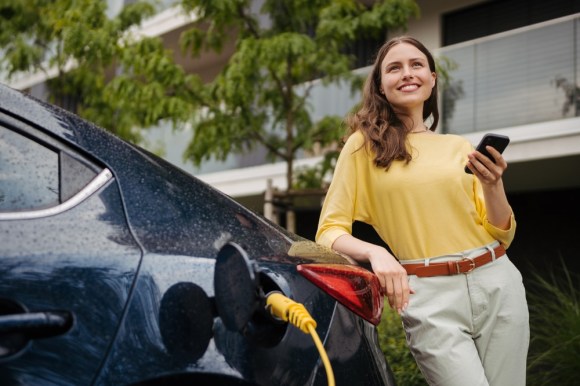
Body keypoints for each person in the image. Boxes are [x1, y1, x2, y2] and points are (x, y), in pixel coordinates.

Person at [315, 36, 529, 386]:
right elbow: (329, 231)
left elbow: (503, 231)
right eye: (394, 68)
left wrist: (493, 185)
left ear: (431, 78)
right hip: (430, 297)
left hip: (497, 281)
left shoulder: (458, 146)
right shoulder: (362, 146)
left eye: (416, 65)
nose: (406, 73)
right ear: (381, 86)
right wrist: (377, 253)